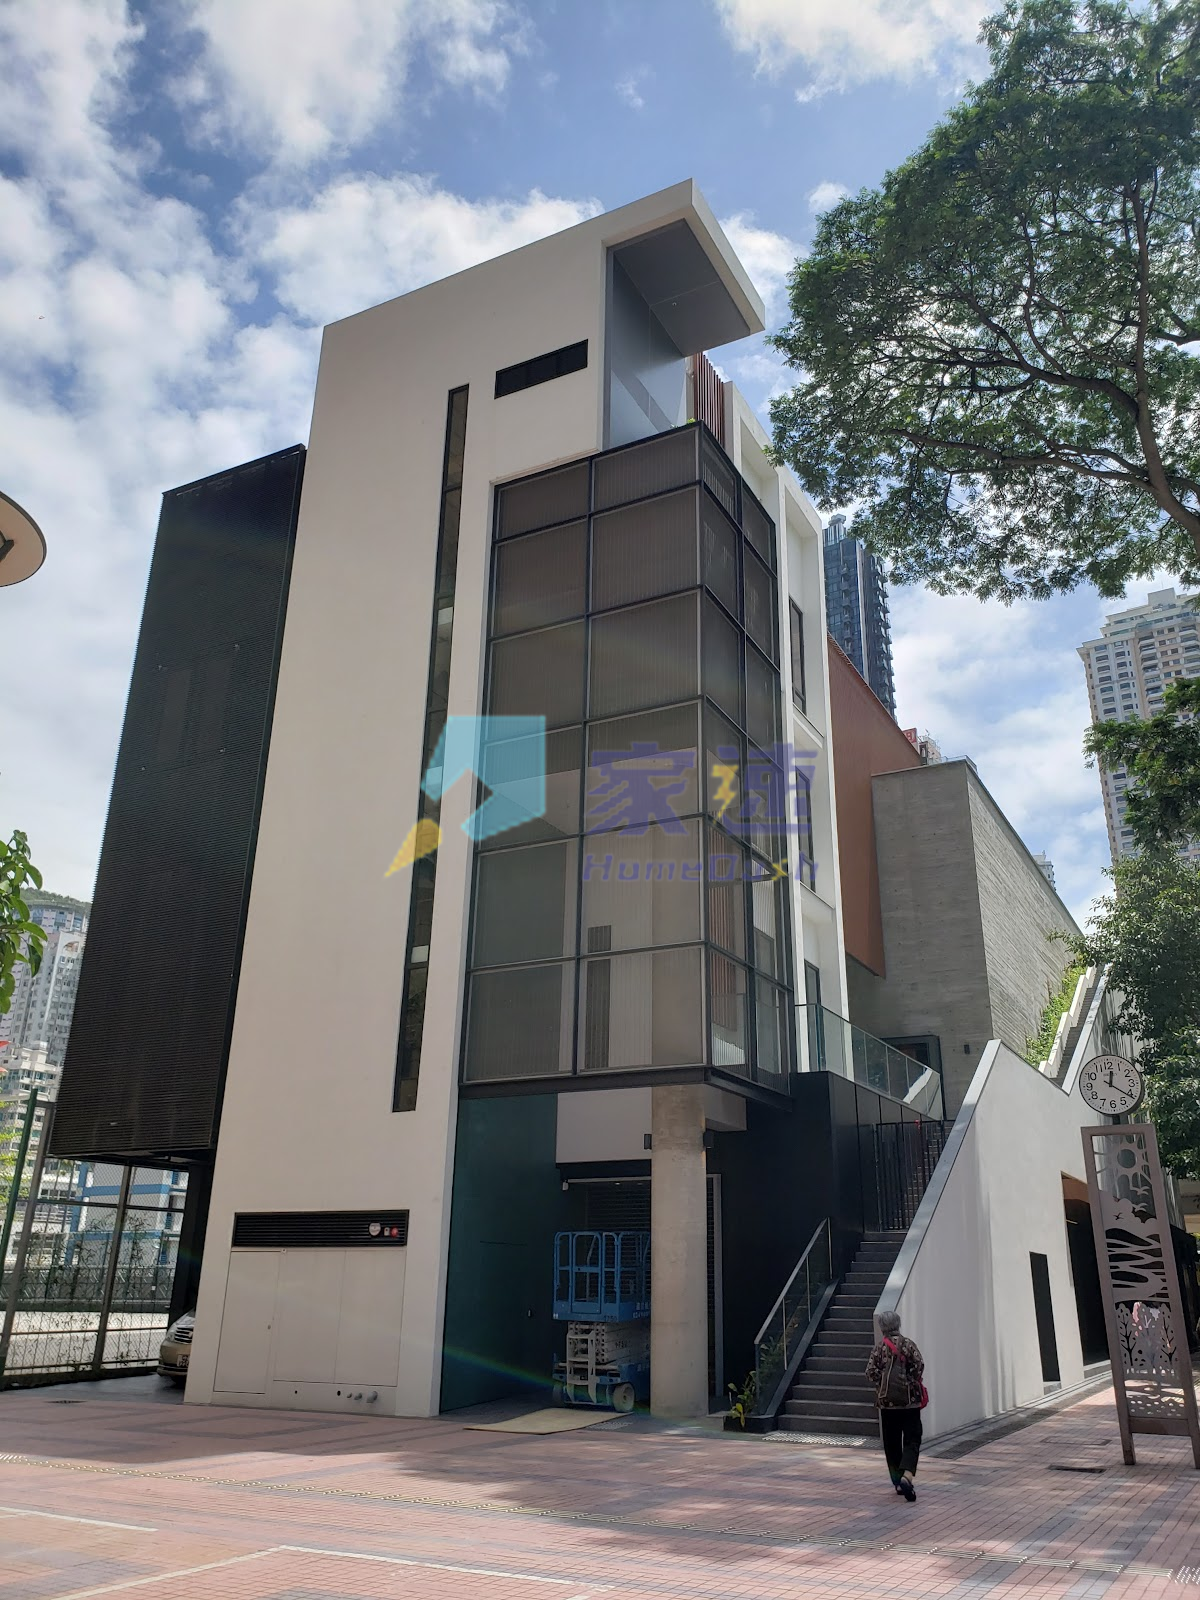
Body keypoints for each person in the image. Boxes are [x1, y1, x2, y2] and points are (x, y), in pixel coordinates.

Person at [865, 1311, 925, 1502]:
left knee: (892, 1443)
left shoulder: (879, 1348)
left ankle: (898, 1481)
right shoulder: (908, 1344)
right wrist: (909, 1381)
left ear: (882, 1326)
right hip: (910, 1402)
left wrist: (883, 1382)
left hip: (887, 1404)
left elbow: (870, 1372)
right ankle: (907, 1474)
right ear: (898, 1324)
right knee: (912, 1439)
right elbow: (919, 1365)